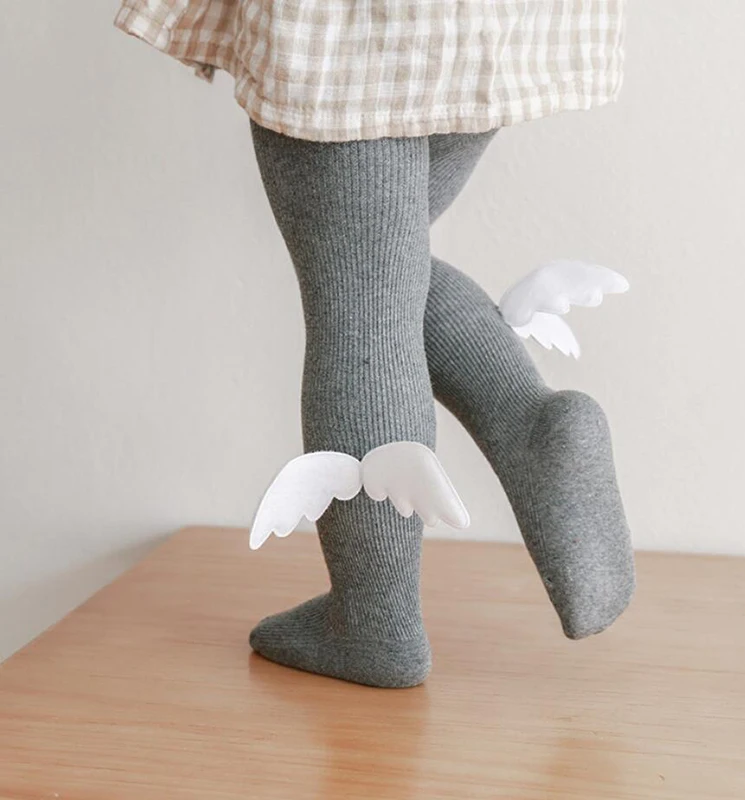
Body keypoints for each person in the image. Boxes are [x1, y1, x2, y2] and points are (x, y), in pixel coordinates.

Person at [115, 0, 635, 688]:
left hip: (356, 27)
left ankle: (371, 622)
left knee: (360, 300)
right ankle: (528, 423)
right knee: (377, 274)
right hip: (489, 23)